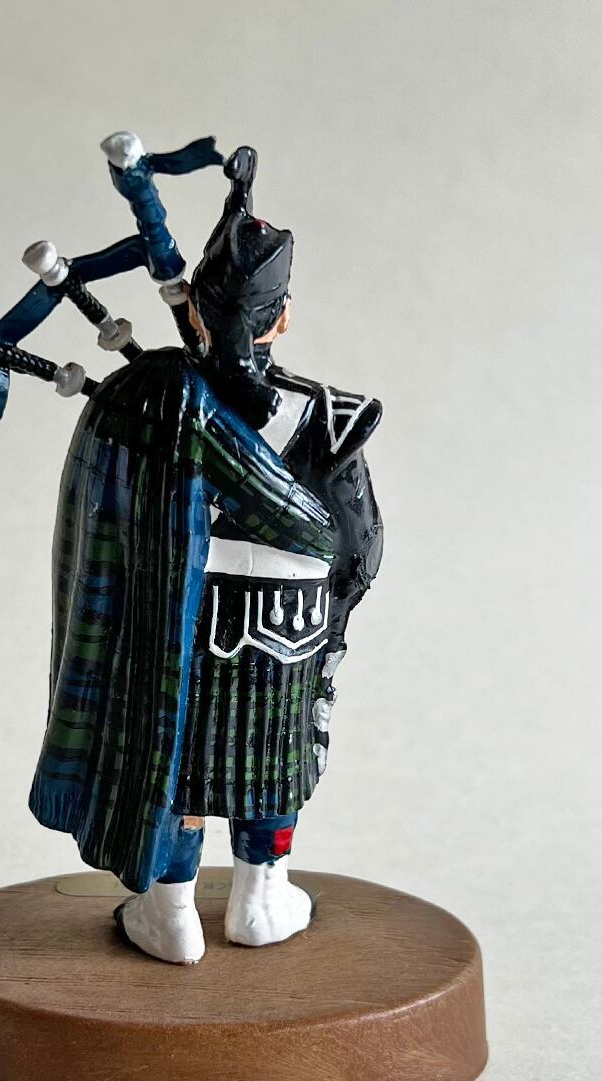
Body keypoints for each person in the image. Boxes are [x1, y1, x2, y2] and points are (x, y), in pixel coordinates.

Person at [29, 146, 383, 963]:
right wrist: (332, 620)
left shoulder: (149, 396)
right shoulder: (328, 415)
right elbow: (359, 541)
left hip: (179, 617)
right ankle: (260, 900)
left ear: (193, 314)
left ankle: (172, 914)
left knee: (180, 767)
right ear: (282, 318)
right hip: (292, 621)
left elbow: (111, 523)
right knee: (270, 764)